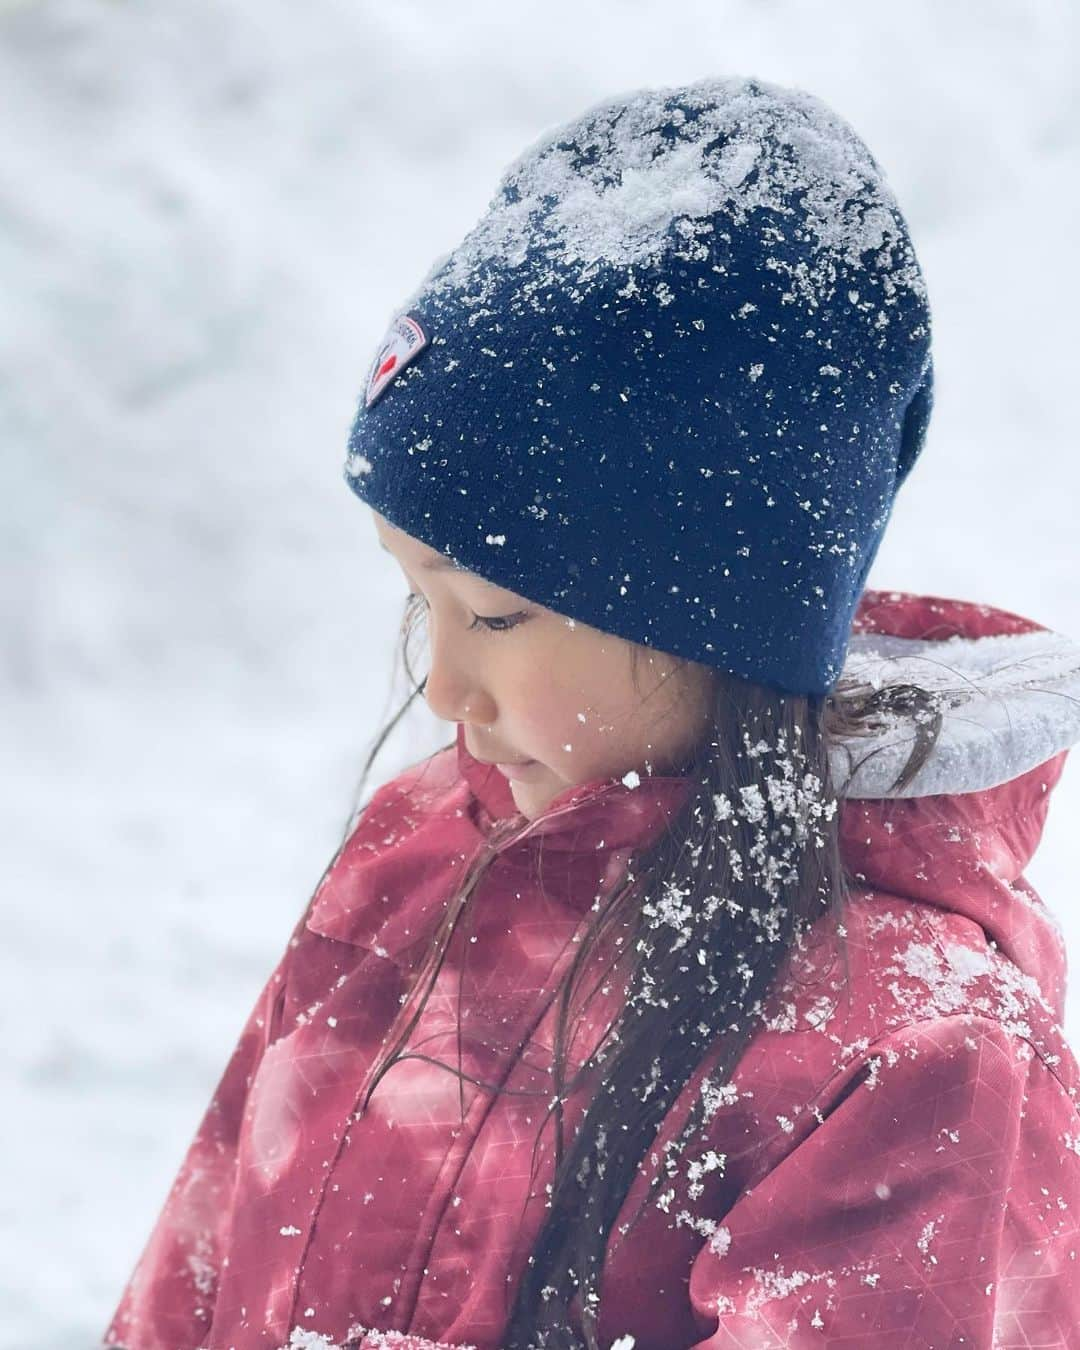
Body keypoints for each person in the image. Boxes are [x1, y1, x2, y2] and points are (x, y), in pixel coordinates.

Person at [103, 76, 1080, 1350]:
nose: (447, 691)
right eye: (420, 602)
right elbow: (192, 1284)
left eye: (496, 615)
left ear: (712, 618)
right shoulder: (414, 857)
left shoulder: (924, 1055)